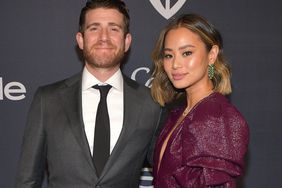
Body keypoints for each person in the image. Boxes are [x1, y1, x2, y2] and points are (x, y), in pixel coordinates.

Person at [15, 0, 160, 188]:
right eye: (94, 28)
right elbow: (28, 180)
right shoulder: (47, 100)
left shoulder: (151, 103)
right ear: (80, 40)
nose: (104, 37)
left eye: (114, 29)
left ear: (126, 42)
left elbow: (167, 173)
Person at [150, 13, 249, 187]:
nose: (175, 65)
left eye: (187, 53)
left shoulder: (216, 117)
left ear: (212, 55)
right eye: (168, 55)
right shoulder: (180, 114)